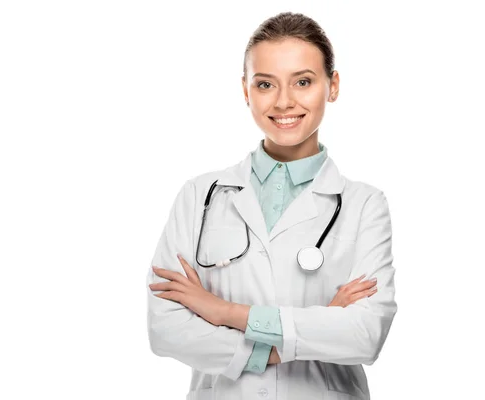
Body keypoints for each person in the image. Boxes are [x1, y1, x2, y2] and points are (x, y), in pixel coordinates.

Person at [146, 11, 396, 400]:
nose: (284, 101)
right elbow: (167, 330)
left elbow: (364, 337)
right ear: (246, 90)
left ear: (333, 86)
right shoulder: (199, 196)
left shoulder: (365, 205)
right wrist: (307, 332)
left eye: (303, 81)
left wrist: (222, 312)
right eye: (265, 84)